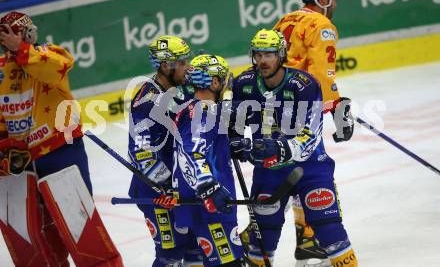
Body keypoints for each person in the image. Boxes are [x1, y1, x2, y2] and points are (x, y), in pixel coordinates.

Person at [0, 11, 122, 266]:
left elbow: (56, 69)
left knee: (81, 228)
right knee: (35, 240)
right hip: (21, 164)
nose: (12, 39)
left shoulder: (51, 54)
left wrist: (22, 50)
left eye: (18, 33)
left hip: (60, 152)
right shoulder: (1, 69)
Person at [229, 29, 357, 267]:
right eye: (259, 54)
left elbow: (310, 138)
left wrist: (278, 147)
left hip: (310, 170)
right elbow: (235, 125)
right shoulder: (244, 84)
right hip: (269, 173)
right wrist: (236, 142)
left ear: (281, 55)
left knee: (330, 231)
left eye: (269, 55)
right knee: (261, 241)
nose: (263, 60)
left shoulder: (304, 85)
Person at [273, 0, 355, 266]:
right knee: (316, 175)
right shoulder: (322, 25)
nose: (336, 2)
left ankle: (307, 240)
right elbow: (322, 75)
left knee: (295, 173)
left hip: (277, 109)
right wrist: (336, 108)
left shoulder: (285, 20)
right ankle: (318, 238)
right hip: (303, 110)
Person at [127, 35, 204, 266]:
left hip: (182, 186)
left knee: (197, 247)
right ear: (165, 66)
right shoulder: (147, 99)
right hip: (157, 193)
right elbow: (141, 152)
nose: (187, 67)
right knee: (170, 255)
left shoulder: (184, 86)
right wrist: (167, 186)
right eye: (182, 63)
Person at [172, 54, 244, 266]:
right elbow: (192, 151)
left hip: (201, 200)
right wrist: (209, 186)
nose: (225, 85)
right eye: (222, 80)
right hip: (210, 203)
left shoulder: (194, 107)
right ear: (214, 82)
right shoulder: (205, 110)